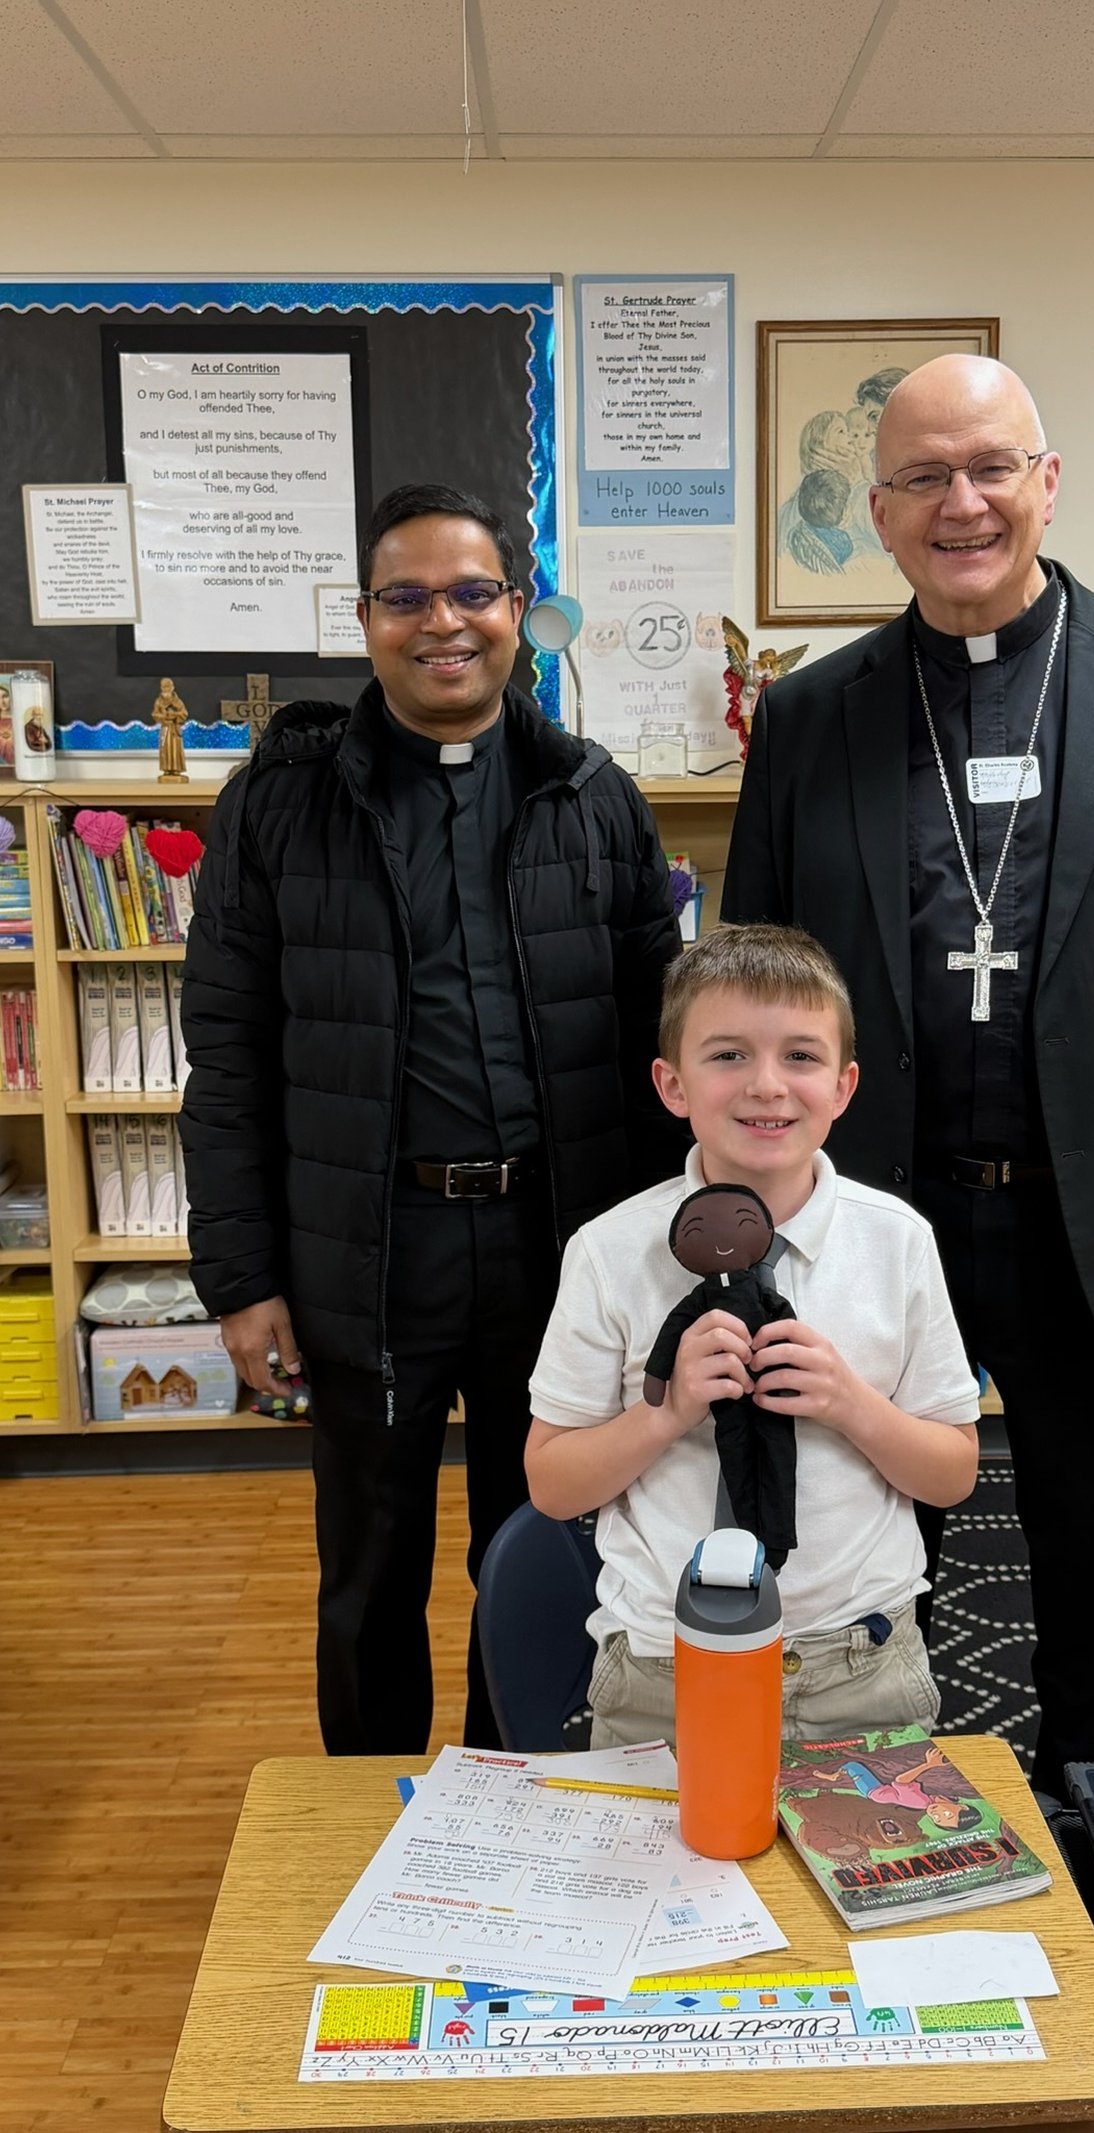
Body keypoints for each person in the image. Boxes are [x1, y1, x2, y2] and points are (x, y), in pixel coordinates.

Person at [720, 355, 1094, 1797]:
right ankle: (859, 1837)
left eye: (991, 467)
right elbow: (749, 992)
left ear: (1047, 483)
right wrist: (743, 1228)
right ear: (878, 511)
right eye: (925, 477)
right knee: (851, 1570)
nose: (964, 502)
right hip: (877, 1223)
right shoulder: (812, 719)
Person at [178, 482, 680, 1756]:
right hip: (367, 1250)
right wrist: (242, 1277)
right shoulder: (280, 806)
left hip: (555, 1252)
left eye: (472, 593)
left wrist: (670, 1259)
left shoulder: (593, 797)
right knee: (368, 1569)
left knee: (544, 1552)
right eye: (405, 598)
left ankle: (521, 1801)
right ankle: (368, 1821)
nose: (441, 623)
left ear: (520, 609)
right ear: (363, 621)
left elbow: (655, 1054)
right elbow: (227, 1055)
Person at [525, 924, 981, 1748]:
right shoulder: (607, 1252)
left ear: (844, 1086)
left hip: (858, 1662)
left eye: (801, 1057)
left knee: (856, 1874)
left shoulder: (899, 1243)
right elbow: (553, 1485)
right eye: (728, 1054)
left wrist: (852, 1404)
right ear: (672, 1084)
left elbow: (952, 1474)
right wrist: (662, 1415)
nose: (767, 1086)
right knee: (662, 1878)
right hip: (665, 1662)